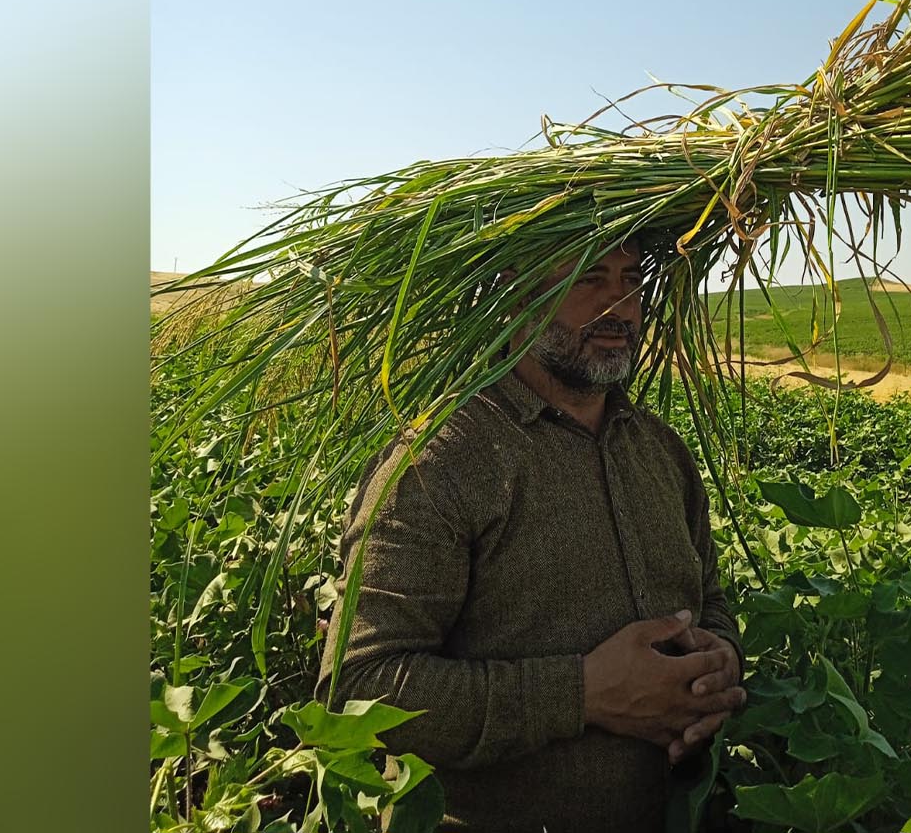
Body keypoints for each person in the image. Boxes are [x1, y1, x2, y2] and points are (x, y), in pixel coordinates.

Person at [316, 237, 745, 833]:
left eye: (629, 277)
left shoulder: (661, 452)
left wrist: (721, 663)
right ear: (516, 296)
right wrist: (583, 693)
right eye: (590, 277)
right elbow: (360, 687)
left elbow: (711, 600)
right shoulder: (440, 463)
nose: (619, 305)